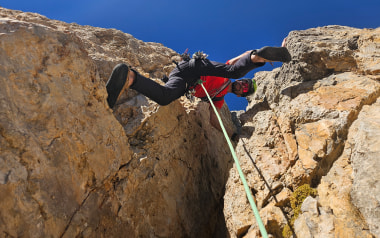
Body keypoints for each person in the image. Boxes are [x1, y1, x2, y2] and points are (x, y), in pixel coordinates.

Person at [106, 44, 291, 140]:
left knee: (165, 97)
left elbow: (213, 119)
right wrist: (255, 55)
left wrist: (233, 134)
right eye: (244, 83)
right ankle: (259, 56)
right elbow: (235, 61)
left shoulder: (218, 99)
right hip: (196, 66)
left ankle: (129, 77)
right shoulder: (226, 76)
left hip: (182, 78)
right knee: (233, 70)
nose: (242, 86)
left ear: (240, 95)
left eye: (245, 90)